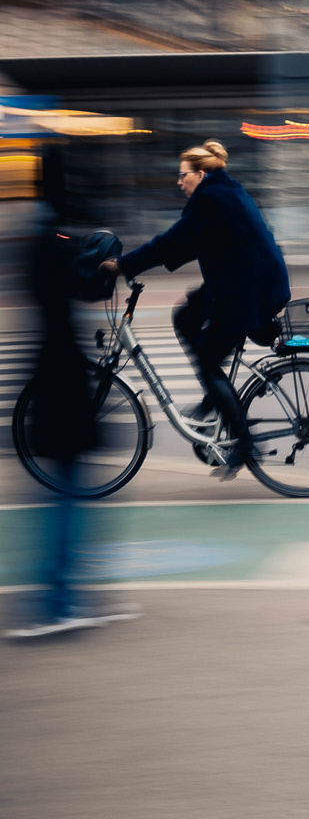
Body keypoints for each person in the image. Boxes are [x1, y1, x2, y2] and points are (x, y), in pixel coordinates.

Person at [7, 148, 141, 638]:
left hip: (53, 372)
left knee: (66, 491)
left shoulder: (39, 232)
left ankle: (67, 595)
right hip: (63, 378)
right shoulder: (55, 236)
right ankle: (62, 601)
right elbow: (83, 285)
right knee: (69, 492)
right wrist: (107, 267)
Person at [105, 141, 290, 480]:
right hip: (244, 285)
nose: (179, 182)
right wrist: (140, 264)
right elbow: (190, 243)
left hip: (247, 292)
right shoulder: (224, 193)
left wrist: (124, 265)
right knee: (185, 315)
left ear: (200, 174)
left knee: (208, 362)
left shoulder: (211, 198)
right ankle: (213, 399)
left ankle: (243, 445)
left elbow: (173, 241)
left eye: (182, 176)